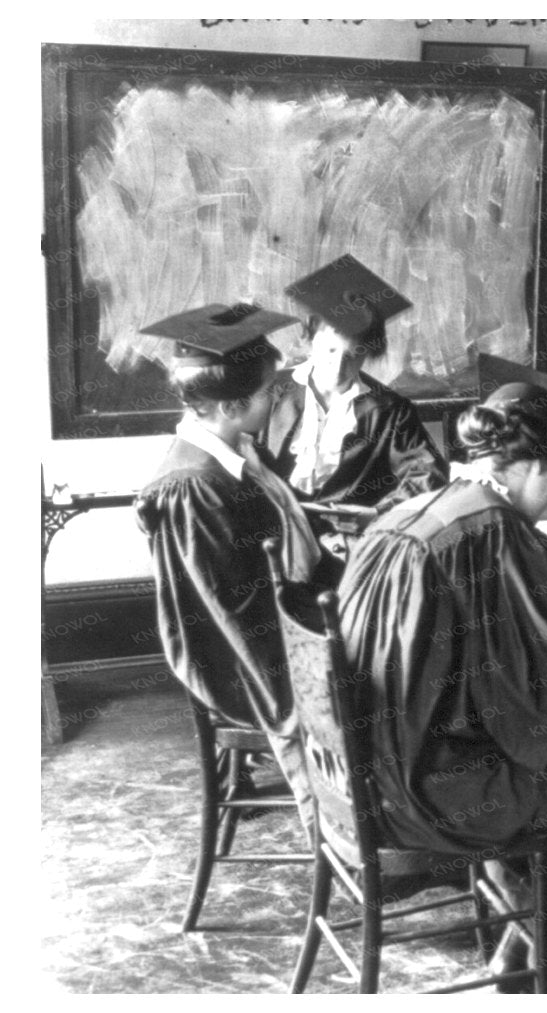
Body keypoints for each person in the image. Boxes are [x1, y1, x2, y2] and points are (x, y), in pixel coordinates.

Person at [334, 382, 547, 991]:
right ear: (536, 465)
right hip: (435, 789)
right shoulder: (493, 532)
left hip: (364, 772)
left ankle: (528, 960)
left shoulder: (412, 511)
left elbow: (489, 648)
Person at [135, 303, 326, 838]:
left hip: (273, 623)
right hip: (238, 656)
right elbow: (235, 611)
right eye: (271, 391)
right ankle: (383, 840)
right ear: (232, 405)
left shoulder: (233, 450)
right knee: (387, 680)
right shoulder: (194, 484)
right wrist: (322, 648)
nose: (281, 397)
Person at [262, 254, 447, 520]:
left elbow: (427, 473)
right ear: (312, 339)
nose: (338, 367)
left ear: (367, 353)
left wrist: (378, 511)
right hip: (277, 532)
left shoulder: (390, 410)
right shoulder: (269, 392)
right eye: (330, 350)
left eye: (352, 355)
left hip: (352, 536)